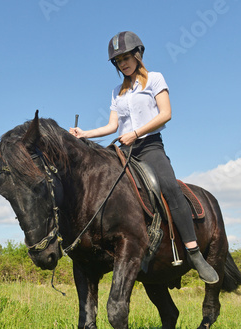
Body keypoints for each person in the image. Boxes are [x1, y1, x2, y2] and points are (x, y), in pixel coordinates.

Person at [69, 31, 219, 284]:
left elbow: (166, 114)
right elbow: (112, 126)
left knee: (170, 187)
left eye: (126, 57)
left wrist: (136, 132)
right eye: (118, 61)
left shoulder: (155, 79)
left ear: (138, 55)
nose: (123, 63)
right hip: (124, 149)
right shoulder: (118, 91)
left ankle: (193, 252)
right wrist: (85, 134)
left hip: (149, 147)